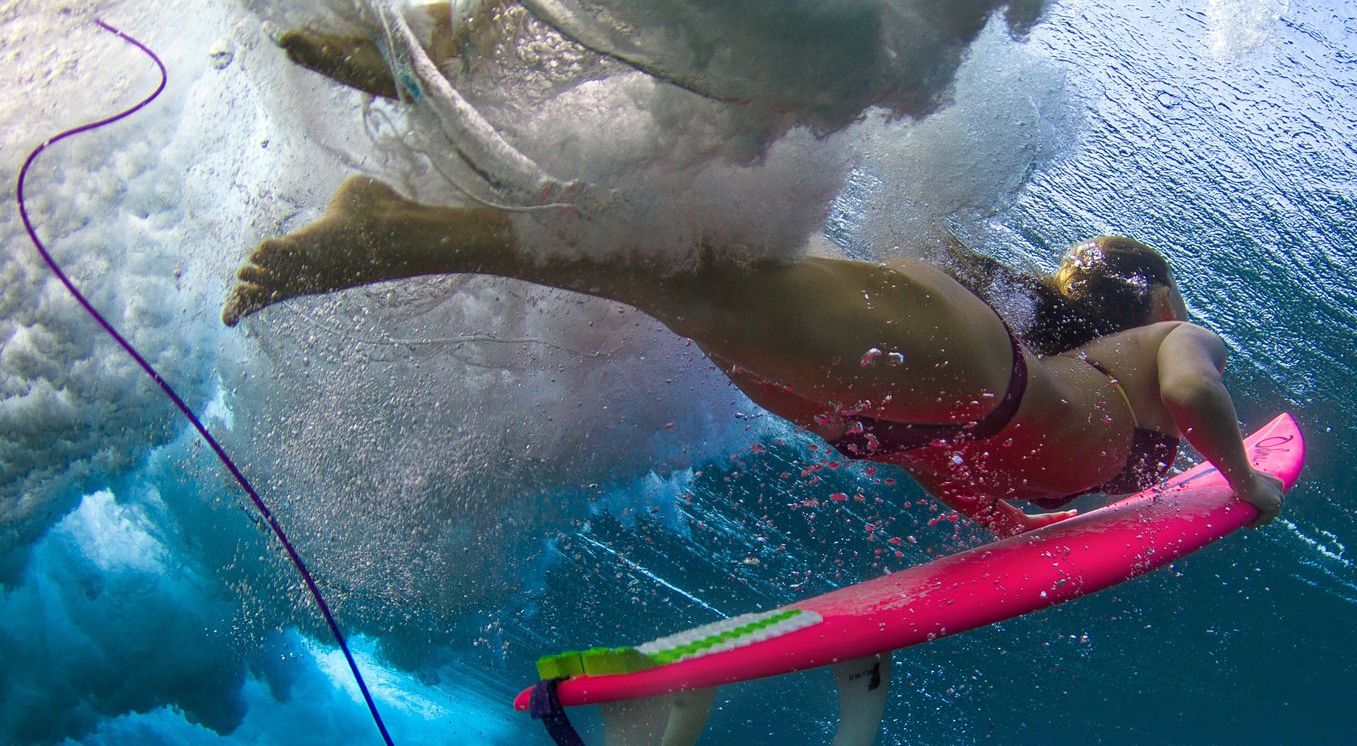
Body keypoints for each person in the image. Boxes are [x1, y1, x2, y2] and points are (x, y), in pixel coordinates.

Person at [222, 176, 1285, 537]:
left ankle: (481, 125)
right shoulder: (1171, 342)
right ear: (1153, 291)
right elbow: (1195, 388)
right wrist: (1240, 483)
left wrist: (999, 523)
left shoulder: (1097, 373)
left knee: (698, 280)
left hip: (908, 419)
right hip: (958, 378)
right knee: (680, 281)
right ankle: (394, 226)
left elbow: (955, 466)